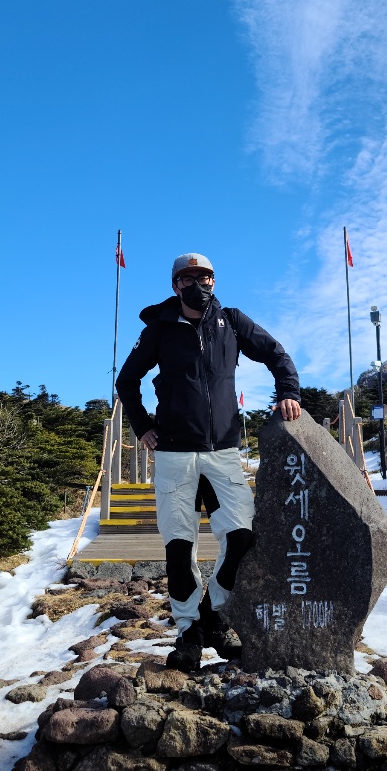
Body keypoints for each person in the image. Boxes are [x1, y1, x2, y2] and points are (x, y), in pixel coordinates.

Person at [116, 252, 301, 670]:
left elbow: (276, 354)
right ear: (175, 285)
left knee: (241, 537)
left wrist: (288, 392)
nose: (200, 283)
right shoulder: (159, 329)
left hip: (223, 451)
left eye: (207, 276)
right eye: (189, 277)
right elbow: (127, 381)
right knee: (180, 546)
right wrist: (144, 426)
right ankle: (188, 633)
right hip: (175, 453)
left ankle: (213, 618)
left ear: (215, 281)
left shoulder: (232, 321)